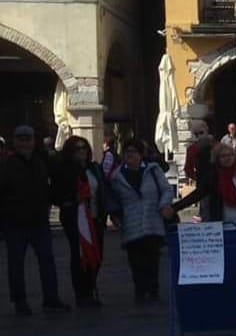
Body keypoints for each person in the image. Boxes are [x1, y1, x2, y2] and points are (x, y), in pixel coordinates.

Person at [0, 125, 70, 315]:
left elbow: (51, 186)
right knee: (16, 264)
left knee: (47, 261)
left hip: (39, 221)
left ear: (33, 141)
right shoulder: (6, 165)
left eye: (27, 139)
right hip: (15, 223)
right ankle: (20, 301)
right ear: (14, 142)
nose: (24, 143)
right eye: (21, 139)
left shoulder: (41, 162)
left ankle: (51, 298)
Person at [171, 141, 236, 257]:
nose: (227, 158)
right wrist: (174, 208)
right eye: (223, 156)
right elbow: (197, 195)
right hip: (220, 223)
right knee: (223, 257)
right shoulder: (213, 176)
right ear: (217, 158)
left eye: (230, 155)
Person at [107, 139, 174, 302]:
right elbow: (111, 199)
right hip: (131, 223)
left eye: (134, 152)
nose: (130, 155)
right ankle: (140, 289)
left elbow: (166, 190)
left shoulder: (152, 170)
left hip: (152, 220)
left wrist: (164, 205)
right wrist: (115, 214)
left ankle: (153, 289)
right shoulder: (117, 177)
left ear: (140, 155)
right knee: (135, 260)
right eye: (127, 152)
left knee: (152, 257)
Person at [53, 136, 106, 308]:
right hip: (76, 218)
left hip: (95, 216)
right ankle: (82, 293)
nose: (81, 151)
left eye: (84, 148)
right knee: (80, 254)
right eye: (77, 148)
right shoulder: (64, 169)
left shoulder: (93, 168)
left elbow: (101, 189)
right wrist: (68, 200)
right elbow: (55, 193)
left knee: (97, 253)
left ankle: (90, 287)